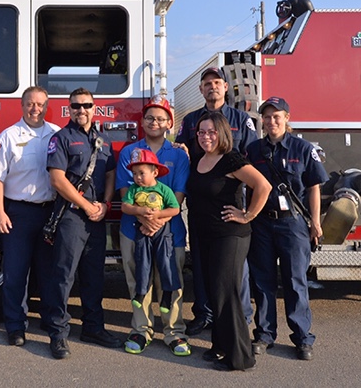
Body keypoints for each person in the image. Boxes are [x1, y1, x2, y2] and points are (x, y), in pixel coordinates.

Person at [175, 66, 258, 336]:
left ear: (225, 87)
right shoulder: (189, 121)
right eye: (207, 83)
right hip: (201, 205)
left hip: (229, 203)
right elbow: (181, 155)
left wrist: (247, 212)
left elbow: (253, 160)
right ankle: (204, 315)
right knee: (201, 263)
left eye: (217, 82)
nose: (212, 86)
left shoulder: (240, 119)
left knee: (233, 270)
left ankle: (241, 317)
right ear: (201, 89)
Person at [186, 111, 271, 371]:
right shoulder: (199, 159)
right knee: (214, 292)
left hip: (230, 236)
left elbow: (263, 186)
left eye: (211, 131)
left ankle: (240, 357)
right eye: (201, 132)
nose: (205, 136)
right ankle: (220, 346)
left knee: (227, 294)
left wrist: (248, 215)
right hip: (206, 235)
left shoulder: (231, 159)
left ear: (222, 132)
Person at [246, 97, 328, 361]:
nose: (271, 121)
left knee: (295, 281)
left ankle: (302, 337)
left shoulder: (303, 148)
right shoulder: (254, 150)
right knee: (262, 280)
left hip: (292, 224)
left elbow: (314, 187)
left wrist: (315, 222)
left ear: (287, 118)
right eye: (267, 117)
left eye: (276, 116)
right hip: (261, 224)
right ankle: (265, 334)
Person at [44, 87, 120, 359]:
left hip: (96, 217)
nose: (81, 110)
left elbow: (110, 173)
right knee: (64, 275)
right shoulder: (61, 138)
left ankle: (93, 327)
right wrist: (88, 206)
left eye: (86, 105)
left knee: (93, 274)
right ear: (69, 109)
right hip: (72, 216)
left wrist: (106, 204)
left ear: (94, 107)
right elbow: (57, 179)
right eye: (76, 106)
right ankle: (58, 332)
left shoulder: (104, 141)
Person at [116, 96, 191, 356]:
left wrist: (157, 220)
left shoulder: (179, 155)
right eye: (149, 117)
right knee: (139, 279)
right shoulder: (129, 153)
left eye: (161, 118)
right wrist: (143, 218)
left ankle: (174, 332)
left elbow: (179, 194)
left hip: (171, 231)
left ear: (170, 122)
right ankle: (141, 329)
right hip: (133, 229)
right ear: (142, 121)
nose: (154, 122)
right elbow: (125, 191)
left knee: (171, 279)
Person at [0, 86, 60, 347]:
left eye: (40, 104)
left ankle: (52, 321)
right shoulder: (8, 136)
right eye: (30, 104)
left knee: (49, 272)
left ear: (46, 106)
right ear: (22, 105)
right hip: (18, 213)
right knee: (16, 273)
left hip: (50, 213)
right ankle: (15, 326)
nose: (35, 109)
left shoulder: (56, 135)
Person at [121, 148, 180, 315]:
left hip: (162, 232)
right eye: (134, 174)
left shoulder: (164, 189)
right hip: (142, 230)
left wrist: (159, 215)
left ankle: (167, 293)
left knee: (166, 262)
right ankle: (141, 291)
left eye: (142, 173)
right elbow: (125, 206)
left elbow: (175, 209)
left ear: (155, 172)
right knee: (142, 261)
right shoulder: (133, 190)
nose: (138, 177)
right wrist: (139, 212)